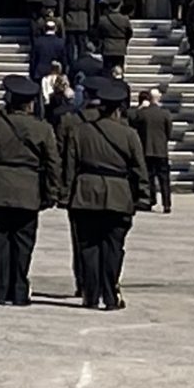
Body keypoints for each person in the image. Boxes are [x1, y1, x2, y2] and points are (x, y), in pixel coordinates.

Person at [58, 72, 152, 309]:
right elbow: (139, 168)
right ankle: (110, 295)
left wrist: (65, 194)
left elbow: (70, 167)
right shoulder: (129, 134)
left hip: (85, 192)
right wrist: (143, 195)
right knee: (113, 247)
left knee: (88, 246)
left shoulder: (80, 131)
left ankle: (90, 294)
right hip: (119, 194)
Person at [0, 73, 58, 305]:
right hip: (28, 190)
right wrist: (51, 192)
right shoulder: (42, 129)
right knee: (23, 243)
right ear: (30, 103)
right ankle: (18, 288)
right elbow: (53, 163)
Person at [129, 84, 175, 213]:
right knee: (164, 179)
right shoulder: (165, 114)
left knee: (149, 178)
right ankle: (167, 204)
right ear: (159, 98)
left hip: (147, 149)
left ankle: (150, 200)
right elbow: (169, 132)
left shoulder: (143, 114)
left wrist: (139, 108)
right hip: (161, 150)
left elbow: (132, 122)